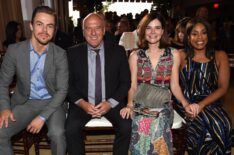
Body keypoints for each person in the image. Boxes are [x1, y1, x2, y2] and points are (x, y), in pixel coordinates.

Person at [0, 6, 68, 155]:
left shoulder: (60, 54)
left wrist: (42, 117)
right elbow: (3, 83)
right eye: (39, 24)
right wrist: (5, 108)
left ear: (54, 29)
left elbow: (62, 90)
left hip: (53, 103)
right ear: (31, 26)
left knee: (57, 134)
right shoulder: (14, 51)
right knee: (0, 133)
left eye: (49, 26)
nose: (44, 30)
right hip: (25, 103)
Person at [120, 11, 190, 155]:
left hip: (163, 105)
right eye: (149, 28)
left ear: (163, 30)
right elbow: (133, 86)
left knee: (158, 122)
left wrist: (185, 103)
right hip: (141, 104)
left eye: (157, 28)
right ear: (143, 31)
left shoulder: (173, 54)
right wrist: (129, 105)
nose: (153, 32)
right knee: (142, 123)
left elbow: (175, 86)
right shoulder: (135, 56)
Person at [66, 13, 132, 155]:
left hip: (111, 102)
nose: (93, 33)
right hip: (83, 103)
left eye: (97, 28)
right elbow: (68, 84)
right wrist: (82, 104)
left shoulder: (118, 51)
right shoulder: (72, 53)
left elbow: (125, 82)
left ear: (103, 30)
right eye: (89, 28)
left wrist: (110, 103)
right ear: (83, 32)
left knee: (126, 126)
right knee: (70, 129)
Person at [174, 17, 232, 154]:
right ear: (188, 36)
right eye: (194, 33)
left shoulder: (220, 55)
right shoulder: (181, 55)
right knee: (200, 127)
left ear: (209, 35)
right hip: (186, 103)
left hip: (210, 101)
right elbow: (173, 84)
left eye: (203, 32)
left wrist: (201, 105)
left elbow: (223, 87)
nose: (199, 37)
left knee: (224, 125)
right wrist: (187, 104)